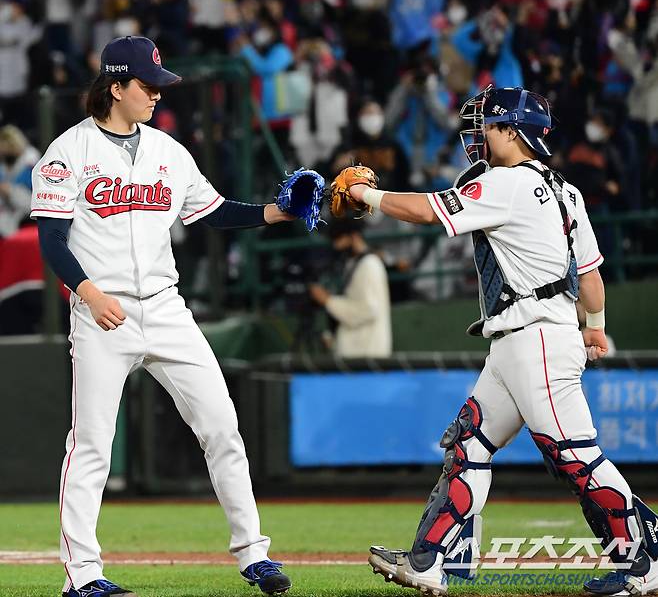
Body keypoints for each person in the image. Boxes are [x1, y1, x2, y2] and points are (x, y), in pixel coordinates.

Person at [342, 85, 658, 597]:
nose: (481, 136)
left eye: (488, 126)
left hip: (534, 340)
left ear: (513, 132)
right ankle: (427, 561)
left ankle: (645, 564)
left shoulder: (507, 184)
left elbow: (427, 212)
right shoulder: (567, 192)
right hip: (523, 342)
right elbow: (592, 278)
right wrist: (595, 326)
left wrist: (366, 196)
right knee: (468, 444)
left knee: (578, 456)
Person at [30, 36, 293, 597]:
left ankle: (254, 555)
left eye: (159, 86)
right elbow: (51, 240)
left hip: (167, 308)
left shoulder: (169, 151)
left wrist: (276, 211)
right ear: (116, 86)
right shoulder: (66, 153)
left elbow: (214, 212)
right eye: (147, 85)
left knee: (222, 427)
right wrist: (87, 292)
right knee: (93, 446)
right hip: (102, 311)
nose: (157, 94)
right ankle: (83, 577)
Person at [308, 218, 392, 358]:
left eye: (339, 239)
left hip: (366, 357)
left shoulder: (369, 265)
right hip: (356, 354)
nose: (336, 246)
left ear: (354, 236)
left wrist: (327, 300)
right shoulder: (353, 263)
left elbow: (367, 310)